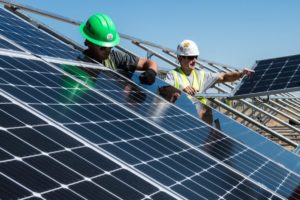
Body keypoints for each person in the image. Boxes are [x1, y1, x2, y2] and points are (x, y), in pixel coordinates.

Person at [164, 39, 254, 125]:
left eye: (196, 57)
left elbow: (224, 77)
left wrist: (241, 74)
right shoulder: (172, 75)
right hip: (180, 120)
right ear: (180, 58)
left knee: (207, 109)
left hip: (200, 122)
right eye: (191, 57)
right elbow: (165, 93)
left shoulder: (202, 75)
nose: (194, 60)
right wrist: (181, 90)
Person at [78, 13, 158, 85]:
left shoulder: (115, 57)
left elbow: (147, 62)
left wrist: (152, 72)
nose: (107, 51)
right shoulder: (78, 64)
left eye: (110, 47)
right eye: (103, 47)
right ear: (88, 42)